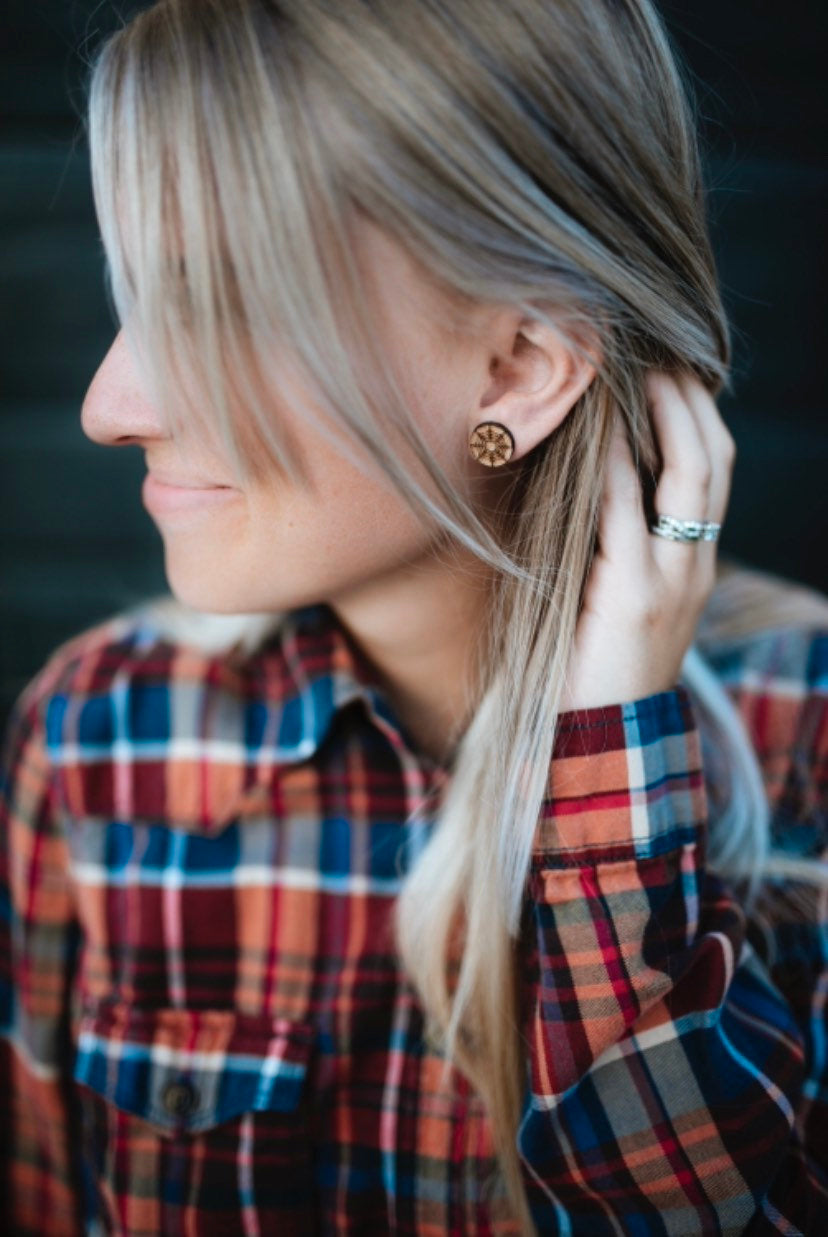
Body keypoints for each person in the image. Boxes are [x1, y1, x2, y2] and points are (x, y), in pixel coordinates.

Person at [2, 0, 827, 1232]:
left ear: (517, 370)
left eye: (214, 307)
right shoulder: (103, 734)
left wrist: (608, 767)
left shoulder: (802, 724)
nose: (108, 404)